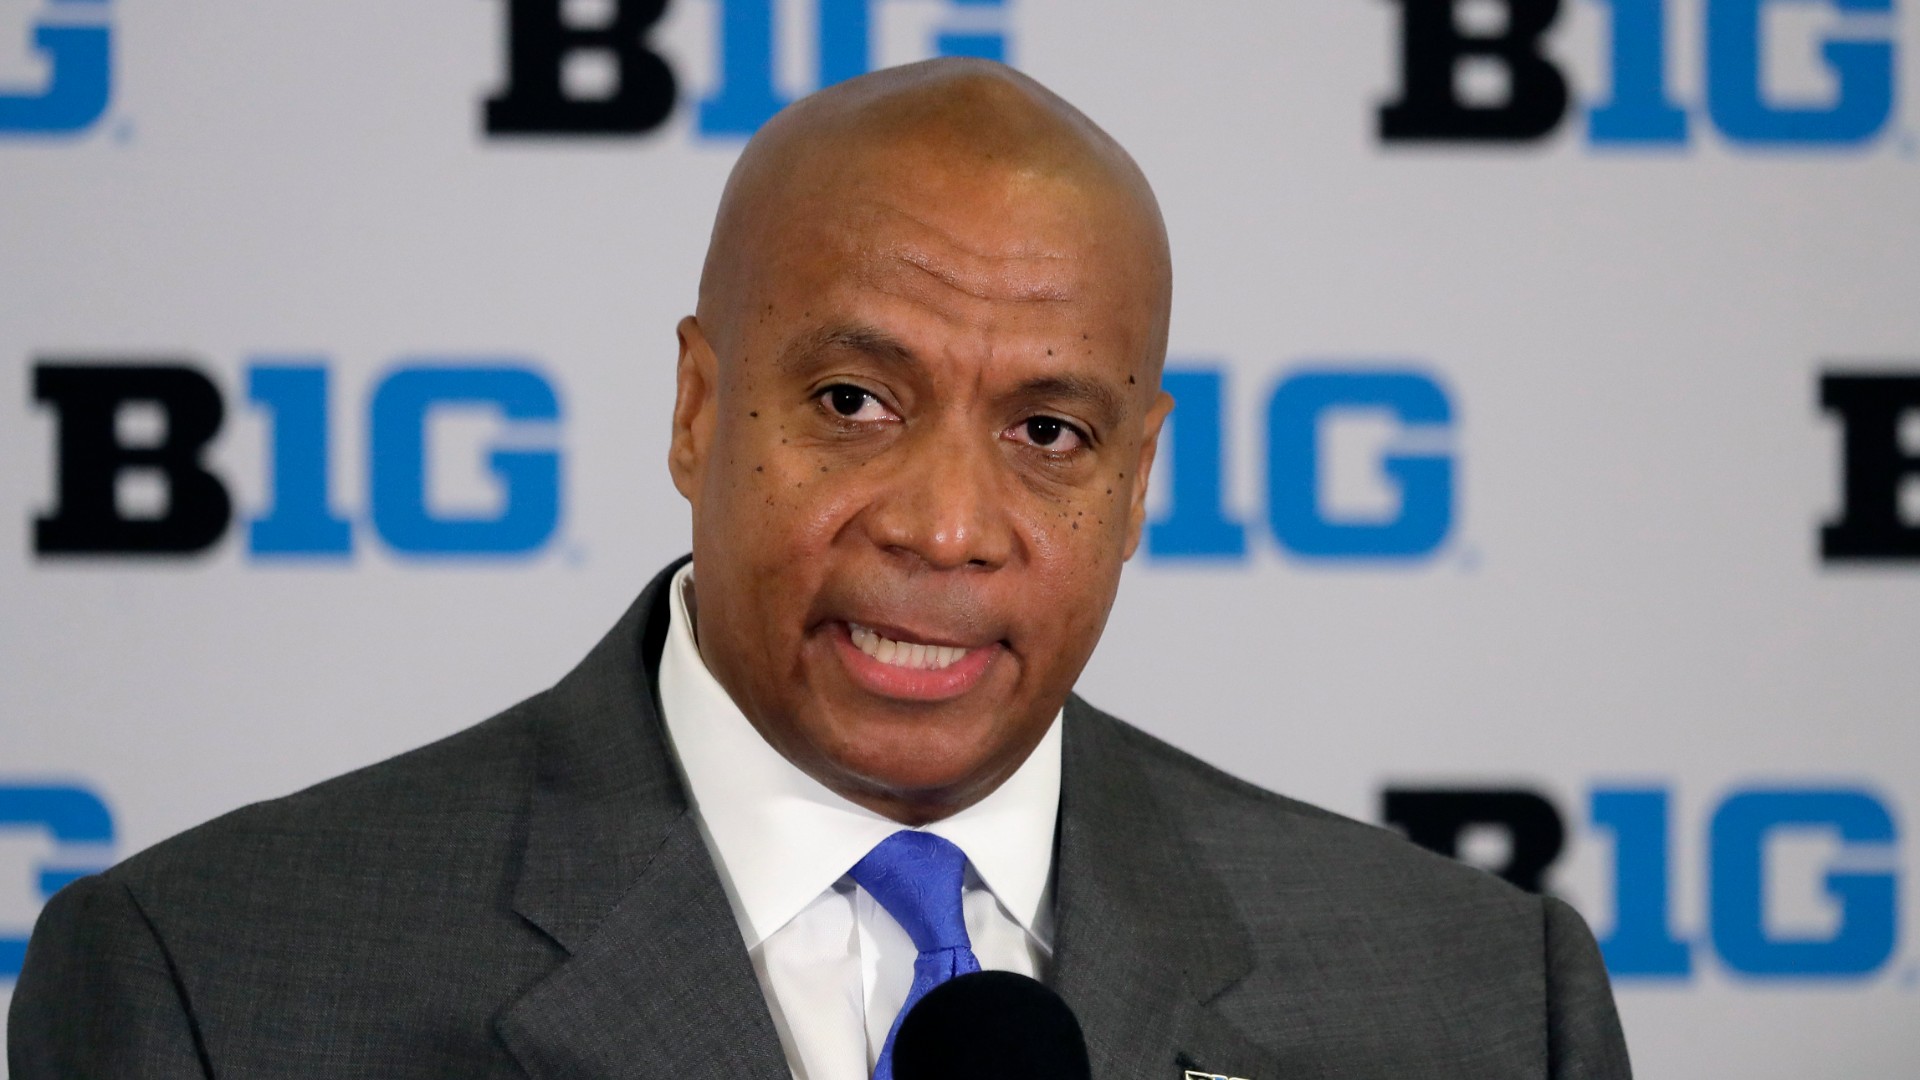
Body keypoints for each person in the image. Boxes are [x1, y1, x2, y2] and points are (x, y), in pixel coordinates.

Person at [8, 59, 1630, 1080]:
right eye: (855, 402)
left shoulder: (1479, 1003)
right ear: (699, 406)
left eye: (1051, 433)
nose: (943, 523)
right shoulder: (210, 988)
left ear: (1140, 478)